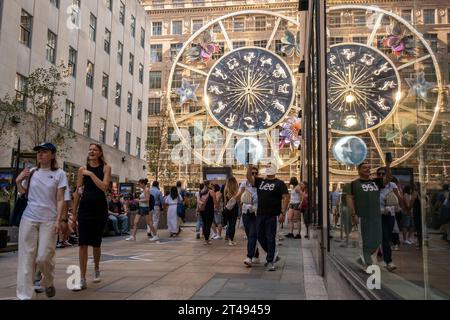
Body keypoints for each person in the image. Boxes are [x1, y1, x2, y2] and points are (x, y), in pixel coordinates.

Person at [15, 142, 68, 300]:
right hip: (29, 218)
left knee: (43, 257)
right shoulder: (31, 172)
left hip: (49, 221)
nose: (40, 154)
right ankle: (25, 296)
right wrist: (18, 181)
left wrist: (59, 220)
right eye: (38, 152)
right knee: (26, 258)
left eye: (44, 152)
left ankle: (48, 281)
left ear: (52, 155)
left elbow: (60, 199)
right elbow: (23, 193)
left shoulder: (60, 174)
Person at [72, 143, 111, 291]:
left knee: (96, 243)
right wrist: (74, 213)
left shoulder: (106, 168)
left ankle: (96, 268)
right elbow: (78, 192)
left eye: (94, 149)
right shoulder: (82, 170)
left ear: (100, 153)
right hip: (85, 209)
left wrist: (92, 174)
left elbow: (104, 187)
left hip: (99, 209)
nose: (91, 151)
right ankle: (82, 278)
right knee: (82, 243)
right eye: (89, 149)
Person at [346, 159, 392, 269]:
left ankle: (364, 260)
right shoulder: (353, 184)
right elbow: (350, 200)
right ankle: (368, 263)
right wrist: (353, 214)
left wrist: (388, 166)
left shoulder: (376, 182)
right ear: (358, 170)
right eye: (364, 167)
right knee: (364, 240)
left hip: (376, 217)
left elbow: (388, 178)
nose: (368, 169)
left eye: (368, 167)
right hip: (363, 217)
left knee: (376, 239)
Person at [246, 162, 289, 271]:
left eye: (270, 166)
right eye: (267, 166)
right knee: (260, 236)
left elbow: (286, 197)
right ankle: (273, 254)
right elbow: (249, 178)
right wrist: (249, 167)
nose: (268, 168)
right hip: (260, 214)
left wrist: (283, 213)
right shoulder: (260, 181)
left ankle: (270, 261)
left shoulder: (280, 183)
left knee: (270, 237)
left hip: (273, 215)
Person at [377, 167, 402, 271]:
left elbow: (399, 198)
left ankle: (386, 258)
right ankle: (388, 261)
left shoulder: (392, 185)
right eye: (380, 174)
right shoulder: (375, 185)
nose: (382, 176)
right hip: (378, 214)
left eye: (384, 174)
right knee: (384, 237)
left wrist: (400, 206)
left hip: (390, 214)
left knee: (387, 236)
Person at [237, 167, 260, 267]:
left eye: (256, 173)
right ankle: (255, 253)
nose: (254, 175)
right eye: (252, 173)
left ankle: (249, 257)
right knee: (249, 234)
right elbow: (239, 195)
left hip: (256, 212)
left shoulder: (260, 184)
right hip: (246, 212)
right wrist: (238, 203)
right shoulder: (244, 183)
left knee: (252, 234)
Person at [223, 177, 240, 246]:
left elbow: (225, 201)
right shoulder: (236, 190)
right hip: (234, 209)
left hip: (227, 209)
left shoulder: (226, 190)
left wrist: (225, 207)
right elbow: (238, 201)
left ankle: (228, 237)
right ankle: (231, 240)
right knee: (233, 224)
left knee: (229, 224)